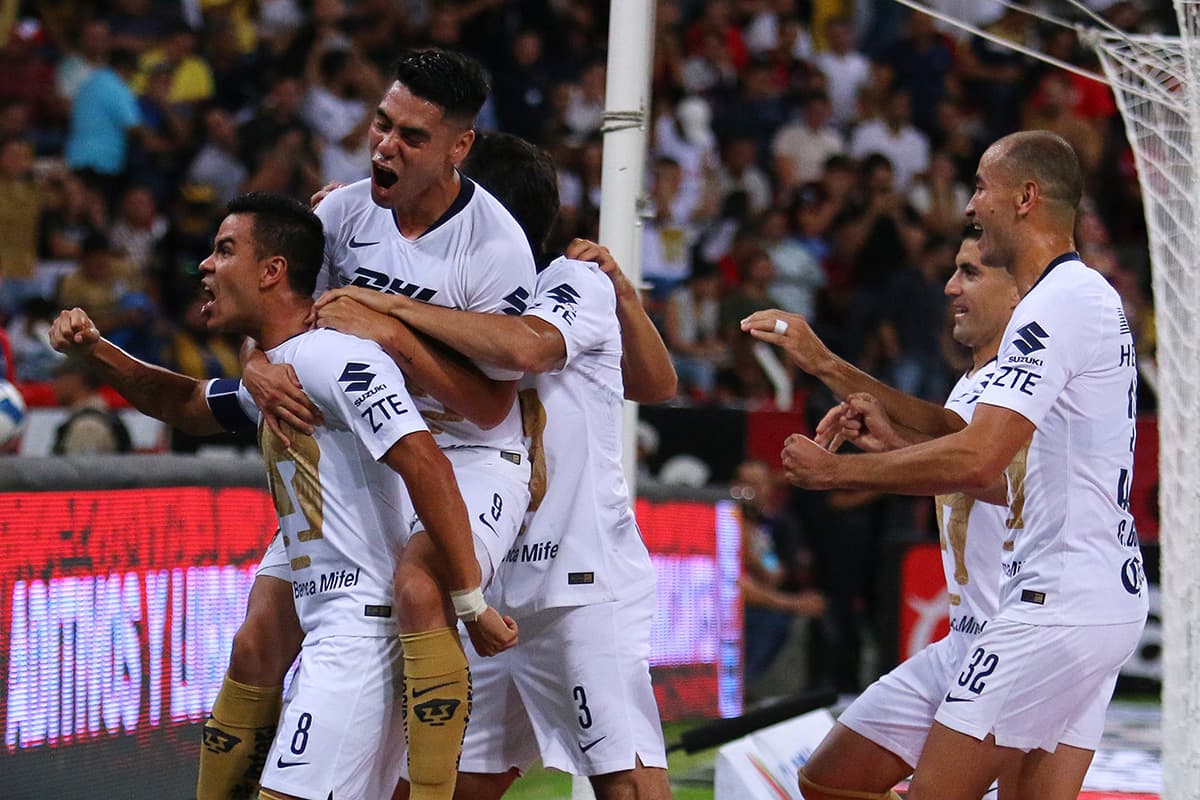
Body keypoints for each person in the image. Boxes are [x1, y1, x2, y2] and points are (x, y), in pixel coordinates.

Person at [48, 193, 517, 800]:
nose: (205, 267)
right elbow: (187, 406)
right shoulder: (280, 371)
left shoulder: (337, 357)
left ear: (273, 271)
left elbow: (426, 461)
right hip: (331, 631)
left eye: (225, 250)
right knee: (254, 643)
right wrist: (97, 352)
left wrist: (469, 601)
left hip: (358, 642)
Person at [744, 131, 1148, 800]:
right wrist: (838, 377)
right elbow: (965, 436)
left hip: (1058, 602)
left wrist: (837, 474)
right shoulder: (1060, 305)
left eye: (983, 188)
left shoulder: (1062, 301)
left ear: (1025, 197)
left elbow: (979, 461)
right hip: (1066, 598)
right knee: (833, 782)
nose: (970, 203)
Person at [313, 130, 677, 800]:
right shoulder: (441, 297)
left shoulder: (563, 280)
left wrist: (390, 309)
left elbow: (536, 352)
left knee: (625, 784)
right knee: (441, 785)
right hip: (479, 581)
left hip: (578, 582)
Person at [218, 49, 538, 800]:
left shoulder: (497, 250)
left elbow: (493, 407)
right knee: (257, 636)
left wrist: (395, 334)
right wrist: (255, 366)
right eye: (382, 125)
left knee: (419, 588)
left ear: (459, 148)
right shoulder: (339, 213)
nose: (385, 147)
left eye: (412, 137)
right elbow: (264, 310)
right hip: (363, 451)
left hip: (466, 454)